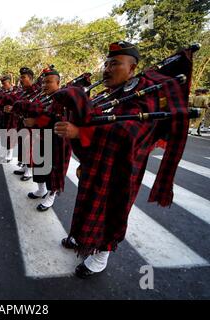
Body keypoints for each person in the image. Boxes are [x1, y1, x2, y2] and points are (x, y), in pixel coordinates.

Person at [54, 41, 190, 279]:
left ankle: (100, 257)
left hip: (123, 168)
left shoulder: (149, 92)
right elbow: (94, 117)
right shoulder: (114, 93)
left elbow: (127, 133)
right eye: (106, 63)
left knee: (112, 209)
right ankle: (82, 237)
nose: (106, 69)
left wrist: (81, 132)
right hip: (98, 162)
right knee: (88, 200)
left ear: (132, 68)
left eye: (115, 63)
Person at [23, 68, 73, 211]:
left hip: (58, 141)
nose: (45, 85)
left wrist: (36, 121)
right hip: (42, 137)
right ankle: (41, 190)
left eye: (49, 82)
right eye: (44, 82)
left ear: (58, 82)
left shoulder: (64, 98)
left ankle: (51, 195)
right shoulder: (43, 97)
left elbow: (61, 120)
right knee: (39, 166)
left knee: (54, 170)